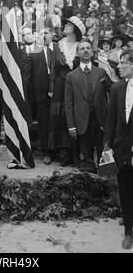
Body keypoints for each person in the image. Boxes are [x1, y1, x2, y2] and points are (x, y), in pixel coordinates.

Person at [65, 38, 111, 173]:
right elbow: (68, 103)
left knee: (104, 154)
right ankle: (90, 177)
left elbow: (113, 90)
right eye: (82, 48)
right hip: (82, 121)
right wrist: (71, 125)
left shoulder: (101, 72)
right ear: (77, 53)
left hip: (100, 119)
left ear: (92, 52)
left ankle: (106, 178)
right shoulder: (71, 76)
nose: (85, 50)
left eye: (88, 48)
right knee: (87, 157)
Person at [103, 50, 133, 250]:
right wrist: (107, 146)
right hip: (121, 149)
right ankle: (128, 231)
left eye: (123, 63)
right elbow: (111, 120)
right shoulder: (117, 88)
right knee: (125, 188)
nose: (119, 66)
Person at [48, 16, 85, 166]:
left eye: (69, 24)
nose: (66, 26)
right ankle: (60, 152)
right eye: (67, 23)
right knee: (59, 117)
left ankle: (74, 152)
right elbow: (53, 69)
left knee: (73, 116)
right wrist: (51, 87)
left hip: (75, 85)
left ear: (75, 29)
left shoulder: (81, 46)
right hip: (59, 84)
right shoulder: (58, 45)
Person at [30, 27, 57, 164]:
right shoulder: (35, 52)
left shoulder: (58, 49)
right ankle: (46, 151)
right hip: (40, 94)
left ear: (52, 35)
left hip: (57, 93)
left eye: (47, 33)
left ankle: (59, 151)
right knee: (44, 122)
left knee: (57, 122)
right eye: (42, 34)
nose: (44, 36)